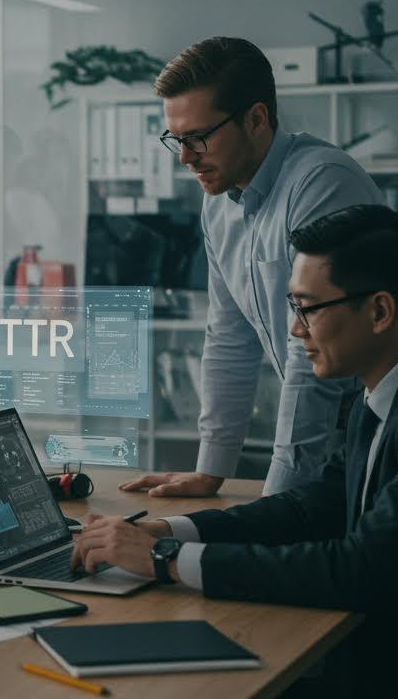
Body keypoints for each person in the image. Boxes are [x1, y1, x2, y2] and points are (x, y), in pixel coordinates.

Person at [74, 205, 398, 695]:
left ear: (379, 311)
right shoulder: (386, 388)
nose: (294, 330)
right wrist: (166, 529)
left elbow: (363, 567)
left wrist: (165, 559)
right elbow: (310, 507)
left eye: (307, 308)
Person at [120, 37, 384, 498]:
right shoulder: (218, 205)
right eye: (176, 140)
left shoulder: (321, 183)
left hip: (384, 426)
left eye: (198, 137)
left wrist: (277, 501)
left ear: (256, 119)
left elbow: (309, 352)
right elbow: (228, 337)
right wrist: (210, 469)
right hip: (332, 434)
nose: (184, 158)